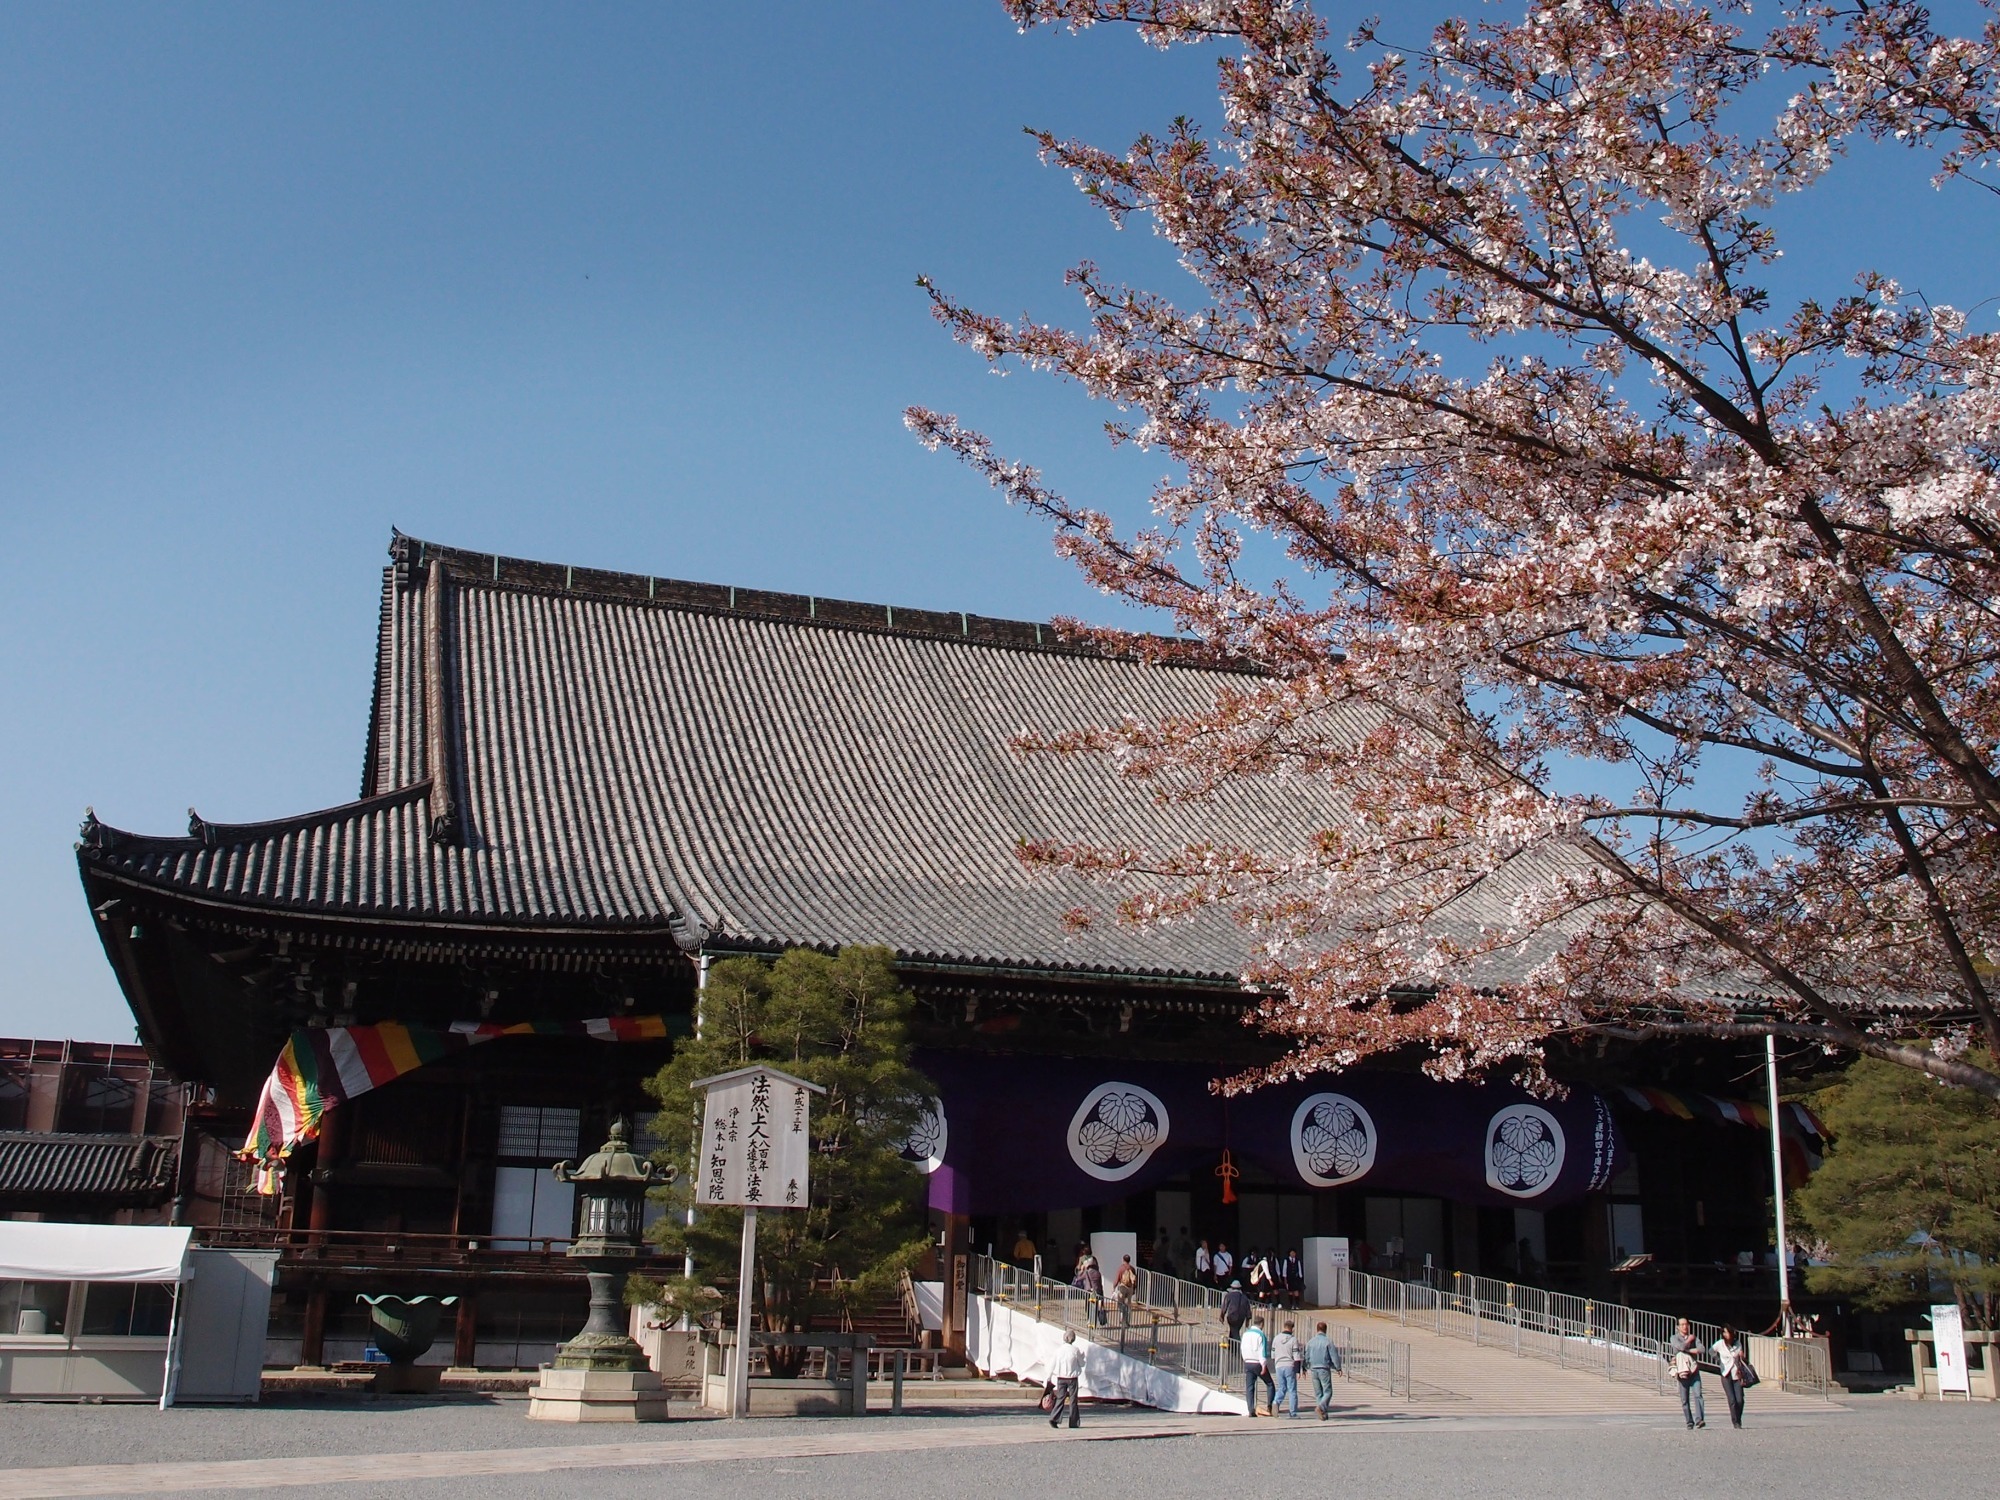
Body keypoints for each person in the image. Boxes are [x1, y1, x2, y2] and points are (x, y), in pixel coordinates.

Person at [1667, 1317, 1706, 1429]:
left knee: (1698, 1395)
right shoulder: (1674, 1338)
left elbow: (1702, 1349)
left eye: (1686, 1324)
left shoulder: (1695, 1338)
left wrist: (1687, 1350)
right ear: (1678, 1327)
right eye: (1682, 1324)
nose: (1685, 1326)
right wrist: (1689, 1342)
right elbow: (1680, 1347)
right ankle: (1689, 1421)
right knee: (1684, 1399)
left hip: (1694, 1371)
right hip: (1682, 1371)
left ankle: (1699, 1419)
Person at [1713, 1324, 1751, 1428]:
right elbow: (1711, 1351)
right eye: (1724, 1332)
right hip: (1726, 1374)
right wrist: (1718, 1360)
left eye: (1728, 1332)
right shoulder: (1720, 1344)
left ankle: (1738, 1417)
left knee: (1740, 1400)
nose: (1726, 1334)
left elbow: (1741, 1357)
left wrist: (1742, 1356)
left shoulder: (1737, 1343)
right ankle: (1736, 1422)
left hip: (1737, 1373)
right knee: (1732, 1400)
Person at [1304, 1320, 1342, 1420]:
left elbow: (1306, 1355)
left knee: (1318, 1393)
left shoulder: (1310, 1342)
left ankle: (1323, 1413)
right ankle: (1321, 1407)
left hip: (1313, 1369)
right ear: (1325, 1330)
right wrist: (1338, 1367)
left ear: (1317, 1330)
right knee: (1328, 1391)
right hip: (1324, 1368)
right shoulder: (1328, 1341)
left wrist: (1304, 1367)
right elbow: (1334, 1355)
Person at [1047, 1329, 1085, 1428]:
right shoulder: (1075, 1350)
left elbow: (1052, 1364)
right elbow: (1082, 1364)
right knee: (1073, 1400)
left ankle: (1054, 1418)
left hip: (1060, 1377)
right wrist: (1082, 1357)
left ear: (1064, 1338)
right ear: (1073, 1339)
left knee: (1060, 1398)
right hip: (1072, 1378)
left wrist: (1048, 1377)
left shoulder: (1058, 1350)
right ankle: (1073, 1422)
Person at [1240, 1316, 1274, 1416]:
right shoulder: (1260, 1334)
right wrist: (1263, 1365)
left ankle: (1251, 1409)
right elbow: (1262, 1351)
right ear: (1262, 1324)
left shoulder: (1245, 1334)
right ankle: (1270, 1406)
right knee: (1269, 1383)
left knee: (1250, 1387)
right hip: (1257, 1362)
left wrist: (1245, 1359)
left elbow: (1242, 1348)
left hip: (1247, 1361)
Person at [1271, 1319, 1303, 1418]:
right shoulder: (1293, 1340)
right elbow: (1296, 1356)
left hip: (1278, 1365)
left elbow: (1272, 1355)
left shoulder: (1276, 1338)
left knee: (1281, 1387)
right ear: (1292, 1328)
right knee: (1292, 1390)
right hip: (1290, 1365)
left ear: (1284, 1326)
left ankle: (1276, 1402)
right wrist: (1298, 1371)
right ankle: (1292, 1412)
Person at [1220, 1278, 1253, 1344]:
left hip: (1232, 1317)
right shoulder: (1244, 1297)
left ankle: (1239, 1347)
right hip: (1241, 1317)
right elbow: (1248, 1309)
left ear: (1232, 1287)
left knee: (1234, 1332)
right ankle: (1231, 1347)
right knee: (1234, 1331)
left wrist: (1221, 1316)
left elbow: (1224, 1307)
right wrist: (1247, 1320)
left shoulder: (1229, 1296)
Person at [1113, 1254, 1139, 1327]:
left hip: (1122, 1287)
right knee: (1128, 1304)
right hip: (1130, 1288)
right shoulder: (1132, 1269)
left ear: (1123, 1260)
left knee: (1121, 1303)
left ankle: (1122, 1318)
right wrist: (1134, 1289)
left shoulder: (1121, 1268)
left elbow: (1117, 1279)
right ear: (1129, 1260)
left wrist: (1114, 1287)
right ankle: (1127, 1321)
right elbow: (1135, 1280)